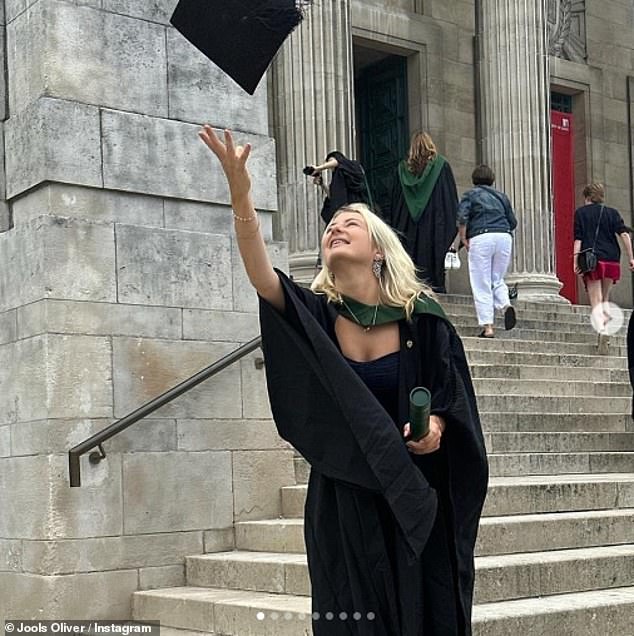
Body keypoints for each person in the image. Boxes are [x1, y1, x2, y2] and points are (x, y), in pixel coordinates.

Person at [199, 126, 488, 636]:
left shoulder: (423, 319)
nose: (336, 226)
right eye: (331, 224)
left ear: (379, 249)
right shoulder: (319, 318)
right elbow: (263, 277)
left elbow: (453, 403)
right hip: (343, 502)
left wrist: (435, 428)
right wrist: (241, 195)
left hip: (413, 499)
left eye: (350, 222)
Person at [385, 131, 459, 293]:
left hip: (407, 226)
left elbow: (393, 203)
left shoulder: (402, 170)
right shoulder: (442, 166)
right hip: (434, 225)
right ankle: (435, 289)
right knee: (432, 257)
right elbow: (450, 201)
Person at [457, 165, 517, 339]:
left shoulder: (470, 195)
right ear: (492, 179)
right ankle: (505, 305)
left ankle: (488, 327)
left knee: (481, 282)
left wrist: (462, 238)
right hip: (504, 237)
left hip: (481, 237)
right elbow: (513, 222)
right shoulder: (502, 197)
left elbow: (462, 218)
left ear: (474, 180)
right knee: (497, 279)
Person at [574, 183, 634, 334]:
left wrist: (575, 260)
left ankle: (601, 329)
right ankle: (605, 324)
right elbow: (624, 234)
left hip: (592, 258)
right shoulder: (612, 213)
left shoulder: (581, 213)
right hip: (612, 258)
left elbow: (578, 239)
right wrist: (631, 257)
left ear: (587, 197)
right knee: (605, 297)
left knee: (596, 297)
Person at [306, 151, 374, 224]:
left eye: (329, 161)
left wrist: (318, 168)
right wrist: (322, 184)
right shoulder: (337, 178)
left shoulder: (352, 165)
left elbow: (337, 162)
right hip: (346, 211)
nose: (330, 168)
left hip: (357, 208)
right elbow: (333, 197)